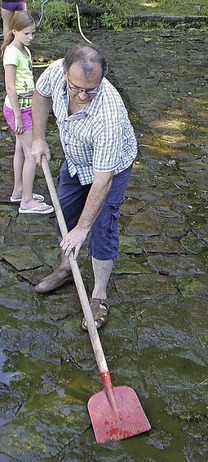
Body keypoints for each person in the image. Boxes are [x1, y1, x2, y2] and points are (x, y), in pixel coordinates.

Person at [30, 44, 139, 331]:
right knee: (64, 216)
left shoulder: (109, 114)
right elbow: (40, 95)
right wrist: (39, 138)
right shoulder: (56, 72)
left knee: (101, 226)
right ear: (65, 72)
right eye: (76, 87)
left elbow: (103, 180)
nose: (82, 95)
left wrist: (84, 228)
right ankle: (68, 268)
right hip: (77, 158)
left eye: (90, 90)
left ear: (101, 79)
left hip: (109, 167)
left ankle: (99, 296)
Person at [3, 11, 53, 214]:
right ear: (14, 31)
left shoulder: (24, 50)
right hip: (19, 110)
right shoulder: (11, 52)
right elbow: (10, 87)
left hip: (26, 107)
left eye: (33, 33)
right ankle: (27, 201)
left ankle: (18, 190)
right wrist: (16, 116)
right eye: (26, 34)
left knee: (20, 150)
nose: (31, 37)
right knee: (32, 154)